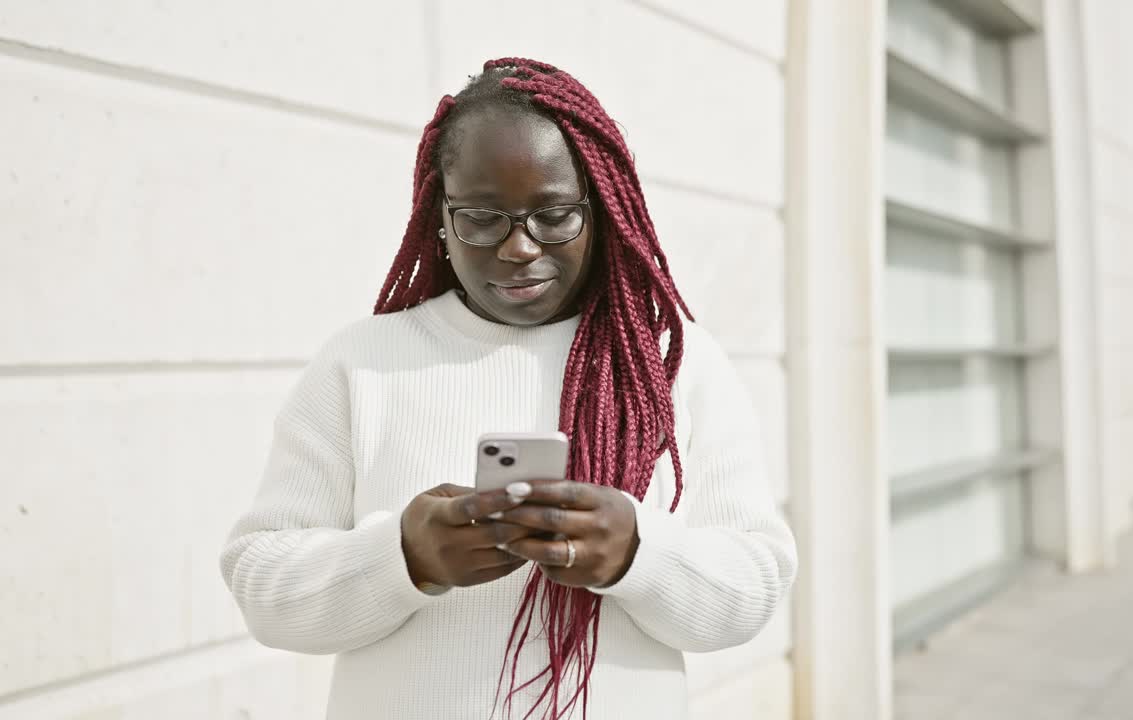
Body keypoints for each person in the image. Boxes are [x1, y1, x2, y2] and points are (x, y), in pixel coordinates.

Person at [219, 57, 797, 720]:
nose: (520, 247)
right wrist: (405, 557)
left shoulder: (671, 364)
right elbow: (261, 587)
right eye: (483, 217)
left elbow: (755, 586)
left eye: (554, 215)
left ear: (603, 211)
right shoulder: (363, 363)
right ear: (439, 214)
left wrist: (639, 552)